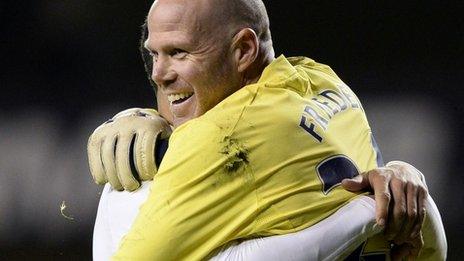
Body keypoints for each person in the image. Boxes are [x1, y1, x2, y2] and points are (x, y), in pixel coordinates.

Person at [87, 0, 446, 259]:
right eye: (155, 53)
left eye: (179, 53)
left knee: (131, 180)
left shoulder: (221, 138)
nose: (158, 73)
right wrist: (402, 181)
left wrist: (362, 217)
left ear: (243, 49)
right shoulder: (323, 82)